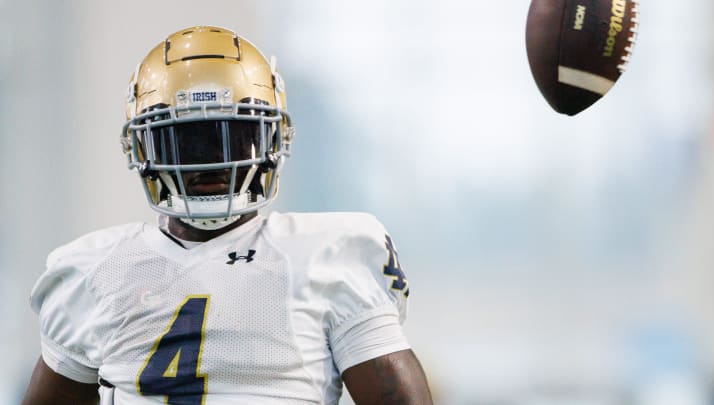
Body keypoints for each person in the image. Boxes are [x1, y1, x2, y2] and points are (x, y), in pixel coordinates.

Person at [22, 25, 433, 405]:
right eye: (187, 142)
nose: (212, 162)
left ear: (270, 139)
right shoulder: (93, 270)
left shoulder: (330, 253)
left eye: (233, 138)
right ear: (145, 148)